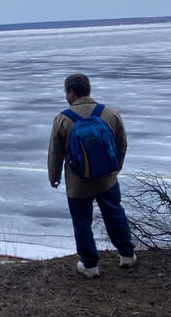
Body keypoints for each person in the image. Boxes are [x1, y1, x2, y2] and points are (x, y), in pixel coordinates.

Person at [48, 73, 136, 278]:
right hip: (107, 179)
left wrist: (54, 176)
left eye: (66, 92)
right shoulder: (110, 113)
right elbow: (121, 144)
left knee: (82, 222)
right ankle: (127, 255)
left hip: (78, 183)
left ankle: (90, 265)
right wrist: (116, 168)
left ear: (71, 92)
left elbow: (55, 152)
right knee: (115, 214)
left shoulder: (62, 119)